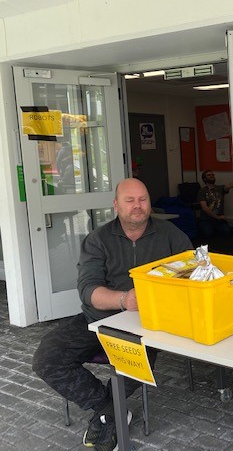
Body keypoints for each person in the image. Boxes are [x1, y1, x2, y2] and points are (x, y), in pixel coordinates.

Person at [32, 178, 192, 451]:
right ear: (116, 205)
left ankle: (107, 416)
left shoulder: (172, 236)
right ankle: (110, 411)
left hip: (148, 324)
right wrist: (123, 299)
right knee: (46, 358)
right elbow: (88, 290)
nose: (137, 206)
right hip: (98, 319)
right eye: (129, 201)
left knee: (135, 363)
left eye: (142, 199)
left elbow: (193, 276)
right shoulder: (98, 240)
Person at [197, 169, 233, 238]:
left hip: (219, 219)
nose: (212, 176)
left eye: (212, 175)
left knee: (227, 232)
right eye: (209, 175)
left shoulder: (220, 188)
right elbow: (205, 208)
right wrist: (217, 217)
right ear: (204, 179)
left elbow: (229, 186)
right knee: (208, 233)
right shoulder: (202, 191)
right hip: (206, 219)